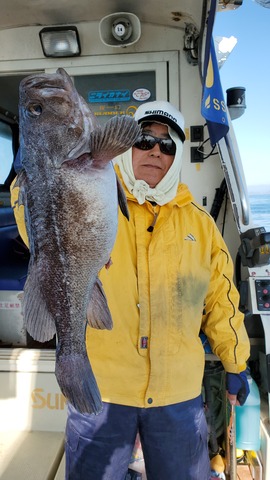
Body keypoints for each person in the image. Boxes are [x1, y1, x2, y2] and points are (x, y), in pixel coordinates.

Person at [11, 100, 250, 480]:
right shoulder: (93, 193)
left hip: (178, 396)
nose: (155, 150)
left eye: (167, 144)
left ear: (176, 157)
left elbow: (221, 301)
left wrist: (237, 363)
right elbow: (36, 226)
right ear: (125, 145)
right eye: (143, 139)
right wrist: (36, 166)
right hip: (103, 390)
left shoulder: (201, 226)